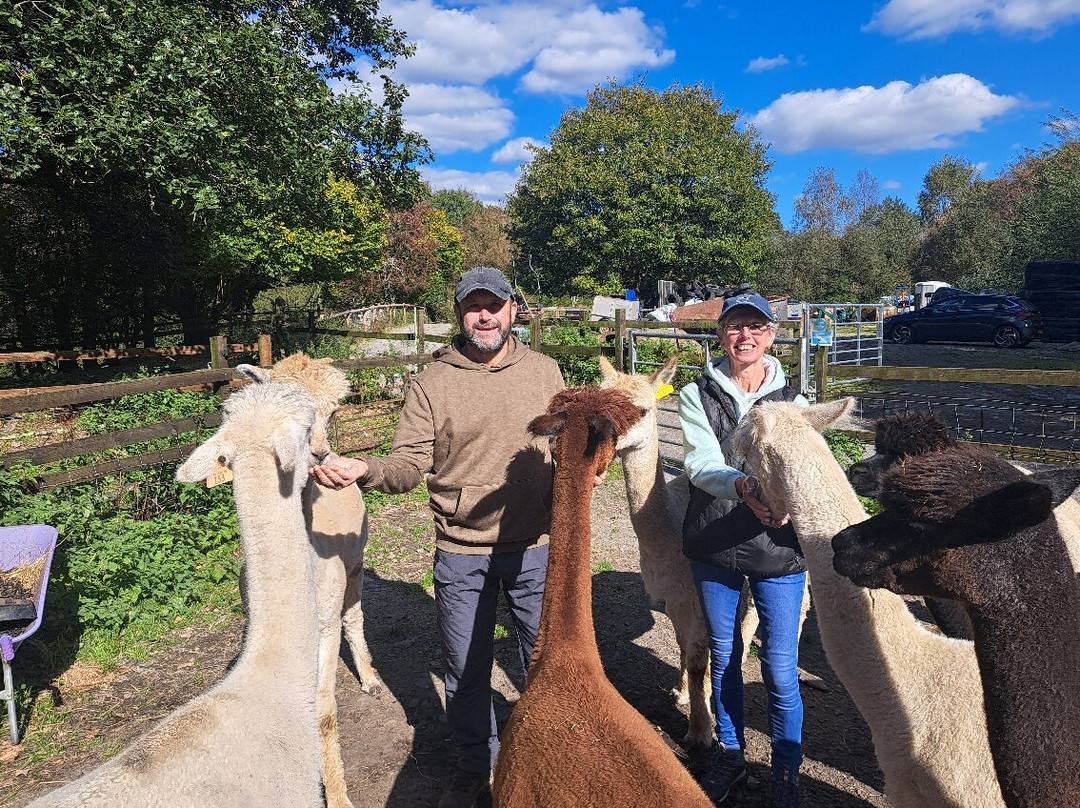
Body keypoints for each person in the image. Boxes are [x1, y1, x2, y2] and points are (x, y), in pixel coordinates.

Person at [310, 266, 564, 808]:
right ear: (458, 315)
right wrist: (367, 471)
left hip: (535, 547)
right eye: (473, 306)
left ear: (513, 309)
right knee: (465, 667)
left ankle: (542, 755)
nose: (485, 316)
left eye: (494, 304)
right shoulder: (433, 383)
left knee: (541, 662)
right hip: (462, 551)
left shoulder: (546, 372)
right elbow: (409, 464)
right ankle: (478, 765)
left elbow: (568, 450)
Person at [678, 290, 809, 808]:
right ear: (721, 335)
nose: (746, 336)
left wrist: (789, 501)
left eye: (757, 327)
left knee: (779, 667)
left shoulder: (795, 402)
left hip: (778, 546)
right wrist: (744, 488)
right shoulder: (697, 395)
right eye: (735, 326)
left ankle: (786, 771)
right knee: (725, 654)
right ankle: (731, 754)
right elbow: (699, 463)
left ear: (773, 336)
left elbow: (803, 467)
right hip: (715, 542)